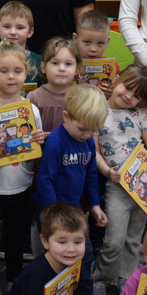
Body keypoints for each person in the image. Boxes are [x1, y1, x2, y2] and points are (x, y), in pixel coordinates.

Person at [92, 64, 147, 295]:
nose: (129, 96)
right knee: (114, 239)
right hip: (117, 186)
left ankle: (125, 278)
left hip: (144, 187)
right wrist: (108, 172)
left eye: (137, 95)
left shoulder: (139, 115)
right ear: (117, 80)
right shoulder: (98, 113)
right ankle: (101, 276)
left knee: (133, 239)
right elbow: (95, 152)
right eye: (127, 87)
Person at [0, 41, 48, 284]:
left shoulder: (31, 109)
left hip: (19, 185)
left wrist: (39, 140)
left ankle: (13, 282)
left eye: (17, 71)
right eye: (4, 71)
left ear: (27, 73)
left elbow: (35, 151)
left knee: (15, 237)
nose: (11, 77)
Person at [34, 85, 107, 257]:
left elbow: (91, 175)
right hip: (51, 208)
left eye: (93, 130)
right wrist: (54, 213)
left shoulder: (88, 141)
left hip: (74, 208)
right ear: (66, 116)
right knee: (55, 254)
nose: (87, 134)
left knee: (84, 253)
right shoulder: (55, 143)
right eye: (82, 129)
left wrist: (95, 204)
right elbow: (45, 180)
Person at [0, 2, 43, 92]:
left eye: (20, 27)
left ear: (30, 32)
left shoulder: (39, 61)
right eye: (7, 26)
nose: (13, 32)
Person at [27, 37, 80, 134]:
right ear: (43, 67)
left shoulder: (80, 97)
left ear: (76, 70)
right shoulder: (34, 97)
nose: (62, 68)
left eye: (68, 64)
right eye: (55, 63)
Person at [73, 10, 114, 98]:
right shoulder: (67, 64)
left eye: (100, 43)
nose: (93, 49)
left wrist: (112, 91)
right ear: (76, 39)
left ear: (107, 42)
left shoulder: (112, 66)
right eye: (87, 42)